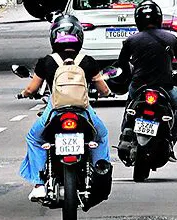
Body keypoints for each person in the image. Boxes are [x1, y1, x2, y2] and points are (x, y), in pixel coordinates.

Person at [18, 14, 112, 202]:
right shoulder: (88, 61)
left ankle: (38, 185)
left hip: (54, 110)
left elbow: (31, 88)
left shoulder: (46, 61)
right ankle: (100, 173)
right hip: (83, 110)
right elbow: (103, 88)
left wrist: (24, 94)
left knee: (34, 138)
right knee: (101, 136)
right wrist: (107, 93)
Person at [117, 0, 177, 157]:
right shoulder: (171, 39)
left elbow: (121, 65)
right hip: (165, 88)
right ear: (159, 18)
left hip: (138, 87)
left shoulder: (131, 40)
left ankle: (125, 135)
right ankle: (171, 142)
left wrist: (124, 77)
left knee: (129, 107)